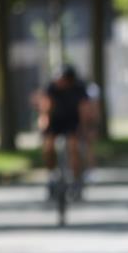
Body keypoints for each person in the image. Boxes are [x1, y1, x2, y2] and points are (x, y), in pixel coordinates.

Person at [37, 64, 91, 199]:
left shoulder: (79, 88)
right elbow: (46, 105)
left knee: (73, 147)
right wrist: (44, 120)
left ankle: (76, 178)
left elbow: (83, 109)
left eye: (62, 80)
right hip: (56, 121)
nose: (59, 82)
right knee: (48, 147)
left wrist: (85, 129)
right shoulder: (51, 88)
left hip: (72, 121)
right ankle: (52, 175)